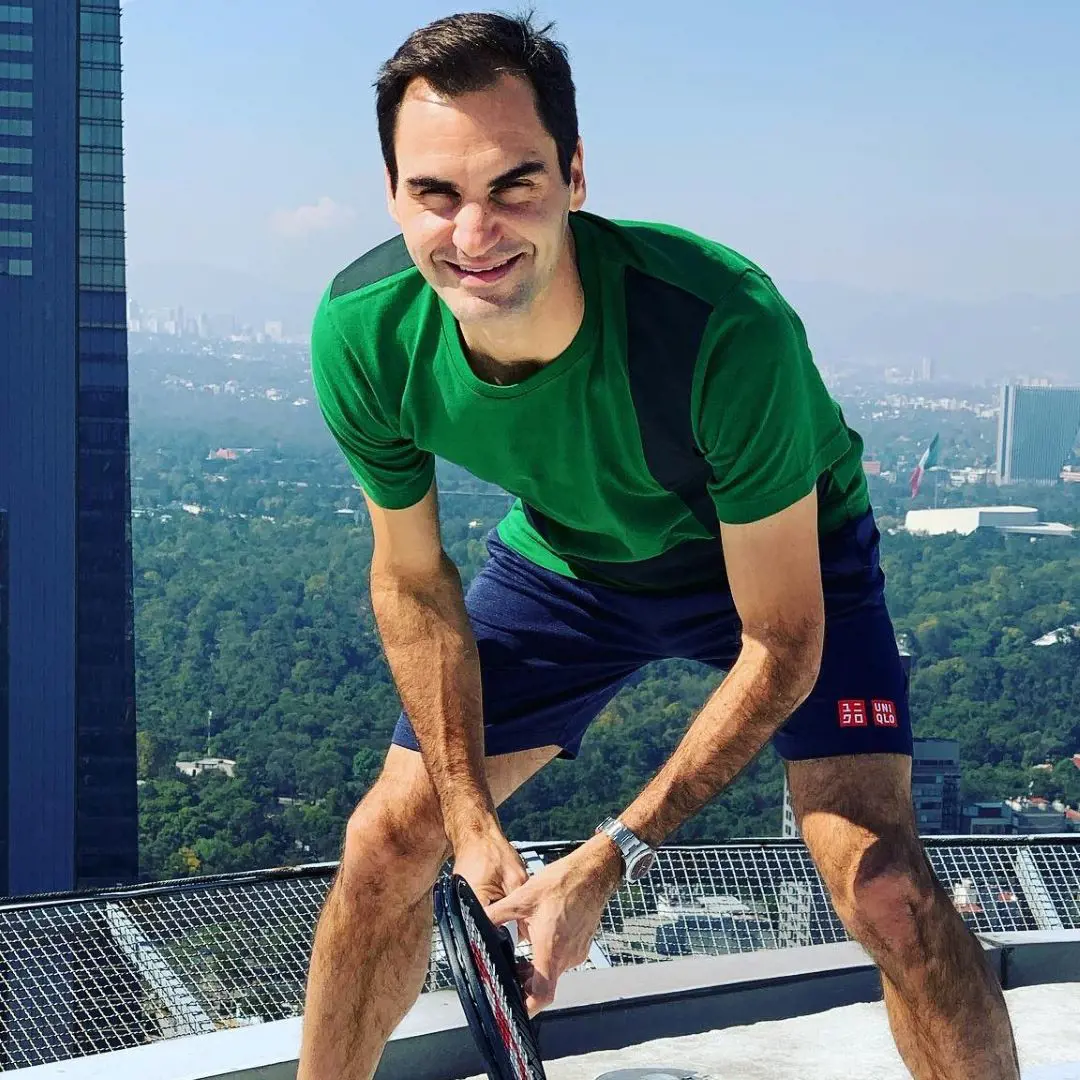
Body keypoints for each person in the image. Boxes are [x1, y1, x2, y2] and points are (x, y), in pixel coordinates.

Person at [299, 12, 1020, 1080]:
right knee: (385, 847)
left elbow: (779, 641)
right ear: (393, 195)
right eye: (436, 194)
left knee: (888, 890)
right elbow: (411, 578)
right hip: (573, 562)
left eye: (515, 184)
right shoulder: (363, 332)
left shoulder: (721, 326)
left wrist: (614, 854)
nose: (474, 232)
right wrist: (466, 813)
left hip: (782, 557)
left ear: (576, 174)